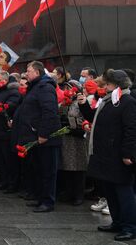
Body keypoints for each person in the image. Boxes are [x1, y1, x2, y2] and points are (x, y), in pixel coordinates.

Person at [78, 69, 136, 241]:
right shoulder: (108, 100)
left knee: (123, 193)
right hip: (105, 155)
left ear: (117, 85)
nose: (105, 87)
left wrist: (128, 154)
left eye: (108, 84)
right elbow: (95, 117)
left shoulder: (127, 102)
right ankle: (117, 222)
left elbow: (131, 130)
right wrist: (83, 104)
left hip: (118, 156)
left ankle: (130, 226)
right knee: (110, 191)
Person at [14, 61, 61, 213]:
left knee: (48, 171)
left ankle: (48, 201)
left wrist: (43, 134)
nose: (26, 73)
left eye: (28, 71)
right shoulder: (34, 87)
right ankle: (40, 198)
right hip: (33, 137)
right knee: (39, 170)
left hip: (44, 139)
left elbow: (50, 112)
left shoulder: (45, 87)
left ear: (37, 72)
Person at [58, 80, 88, 206]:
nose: (67, 90)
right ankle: (68, 191)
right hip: (66, 139)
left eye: (69, 88)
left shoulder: (80, 102)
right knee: (67, 166)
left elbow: (86, 117)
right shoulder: (64, 103)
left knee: (78, 168)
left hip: (78, 140)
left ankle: (79, 194)